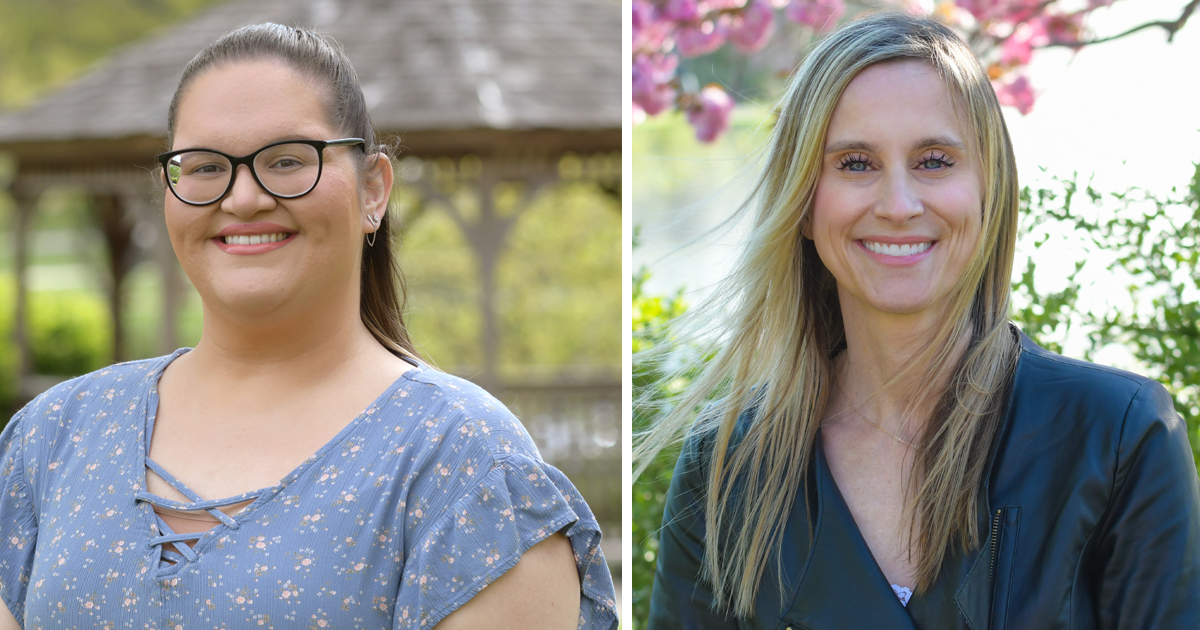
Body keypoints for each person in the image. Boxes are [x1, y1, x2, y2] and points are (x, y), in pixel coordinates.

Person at [0, 23, 617, 630]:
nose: (243, 198)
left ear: (373, 189)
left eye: (288, 159)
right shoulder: (51, 439)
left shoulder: (465, 465)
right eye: (205, 166)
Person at [638, 12, 1200, 629]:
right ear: (801, 200)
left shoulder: (1119, 439)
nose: (899, 205)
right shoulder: (725, 476)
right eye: (855, 163)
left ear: (991, 188)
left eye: (934, 160)